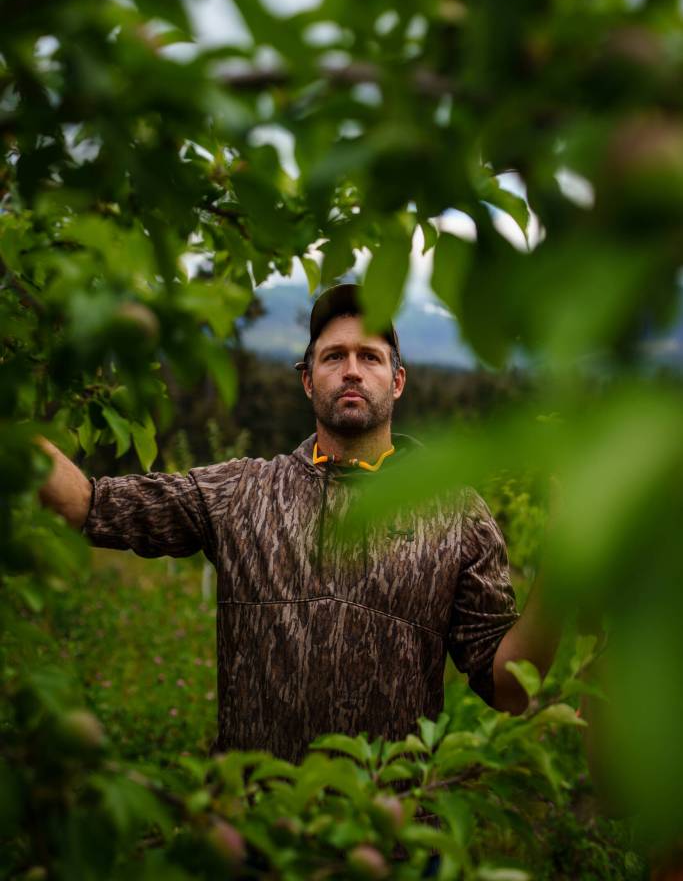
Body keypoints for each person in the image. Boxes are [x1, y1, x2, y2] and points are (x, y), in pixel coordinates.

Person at [38, 283, 561, 764]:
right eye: (334, 356)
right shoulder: (241, 493)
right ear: (308, 379)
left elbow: (511, 687)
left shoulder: (454, 513)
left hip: (389, 840)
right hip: (252, 831)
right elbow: (87, 503)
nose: (352, 370)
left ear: (397, 381)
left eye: (370, 357)